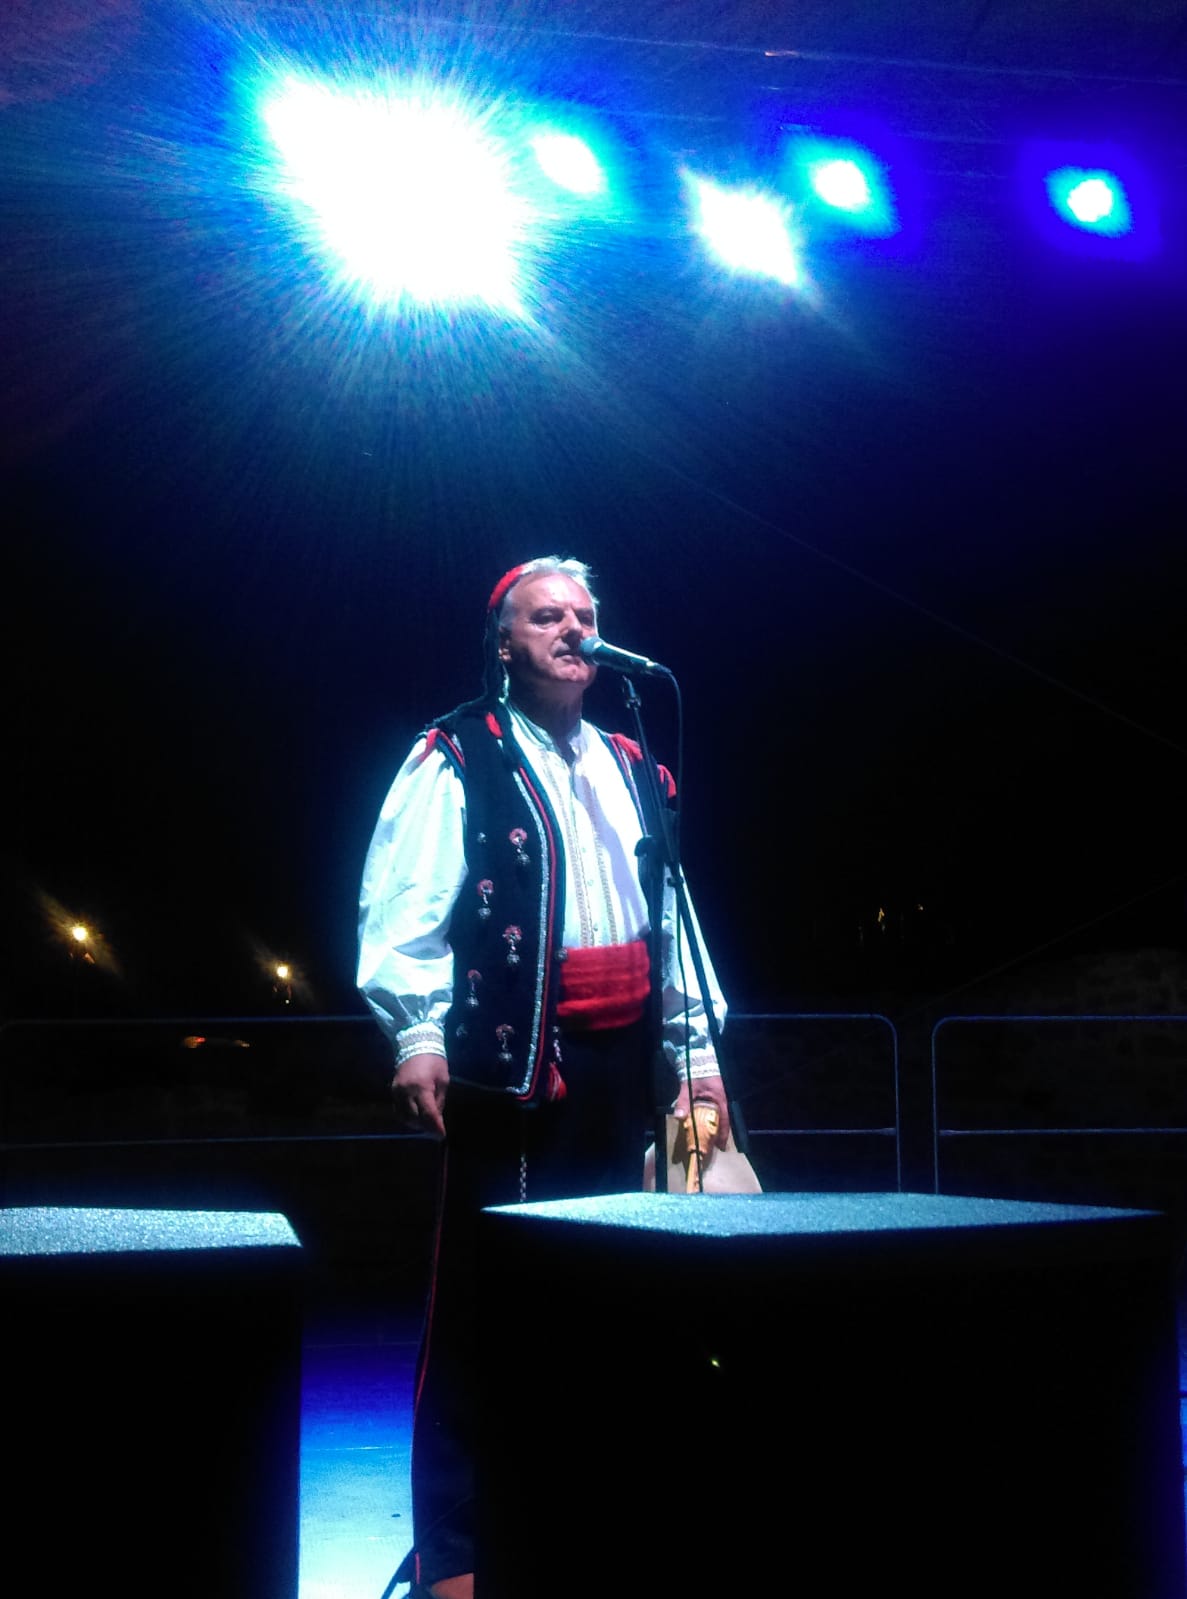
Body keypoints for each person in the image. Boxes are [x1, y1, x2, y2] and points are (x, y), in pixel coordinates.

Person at [357, 556, 728, 1599]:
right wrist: (415, 1033)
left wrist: (696, 1059)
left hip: (626, 1076)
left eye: (583, 614)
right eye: (545, 616)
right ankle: (459, 1552)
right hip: (517, 1074)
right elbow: (406, 902)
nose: (571, 629)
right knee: (484, 1313)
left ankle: (587, 1522)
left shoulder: (632, 761)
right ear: (504, 642)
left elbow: (669, 920)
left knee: (619, 1303)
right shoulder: (457, 753)